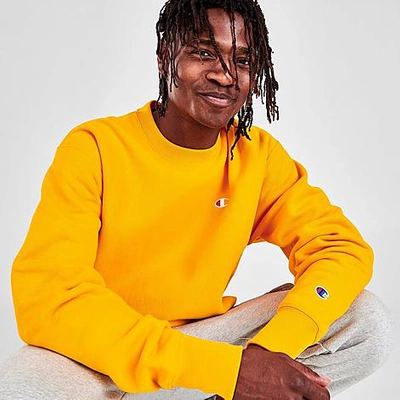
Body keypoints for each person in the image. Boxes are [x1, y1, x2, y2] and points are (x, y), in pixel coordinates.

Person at [0, 0, 393, 399]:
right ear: (164, 56)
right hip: (99, 355)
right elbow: (51, 294)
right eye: (204, 53)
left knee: (365, 321)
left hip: (204, 344)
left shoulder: (256, 157)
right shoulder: (95, 148)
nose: (225, 76)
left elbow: (338, 249)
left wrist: (266, 354)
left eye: (242, 60)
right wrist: (226, 371)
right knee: (22, 387)